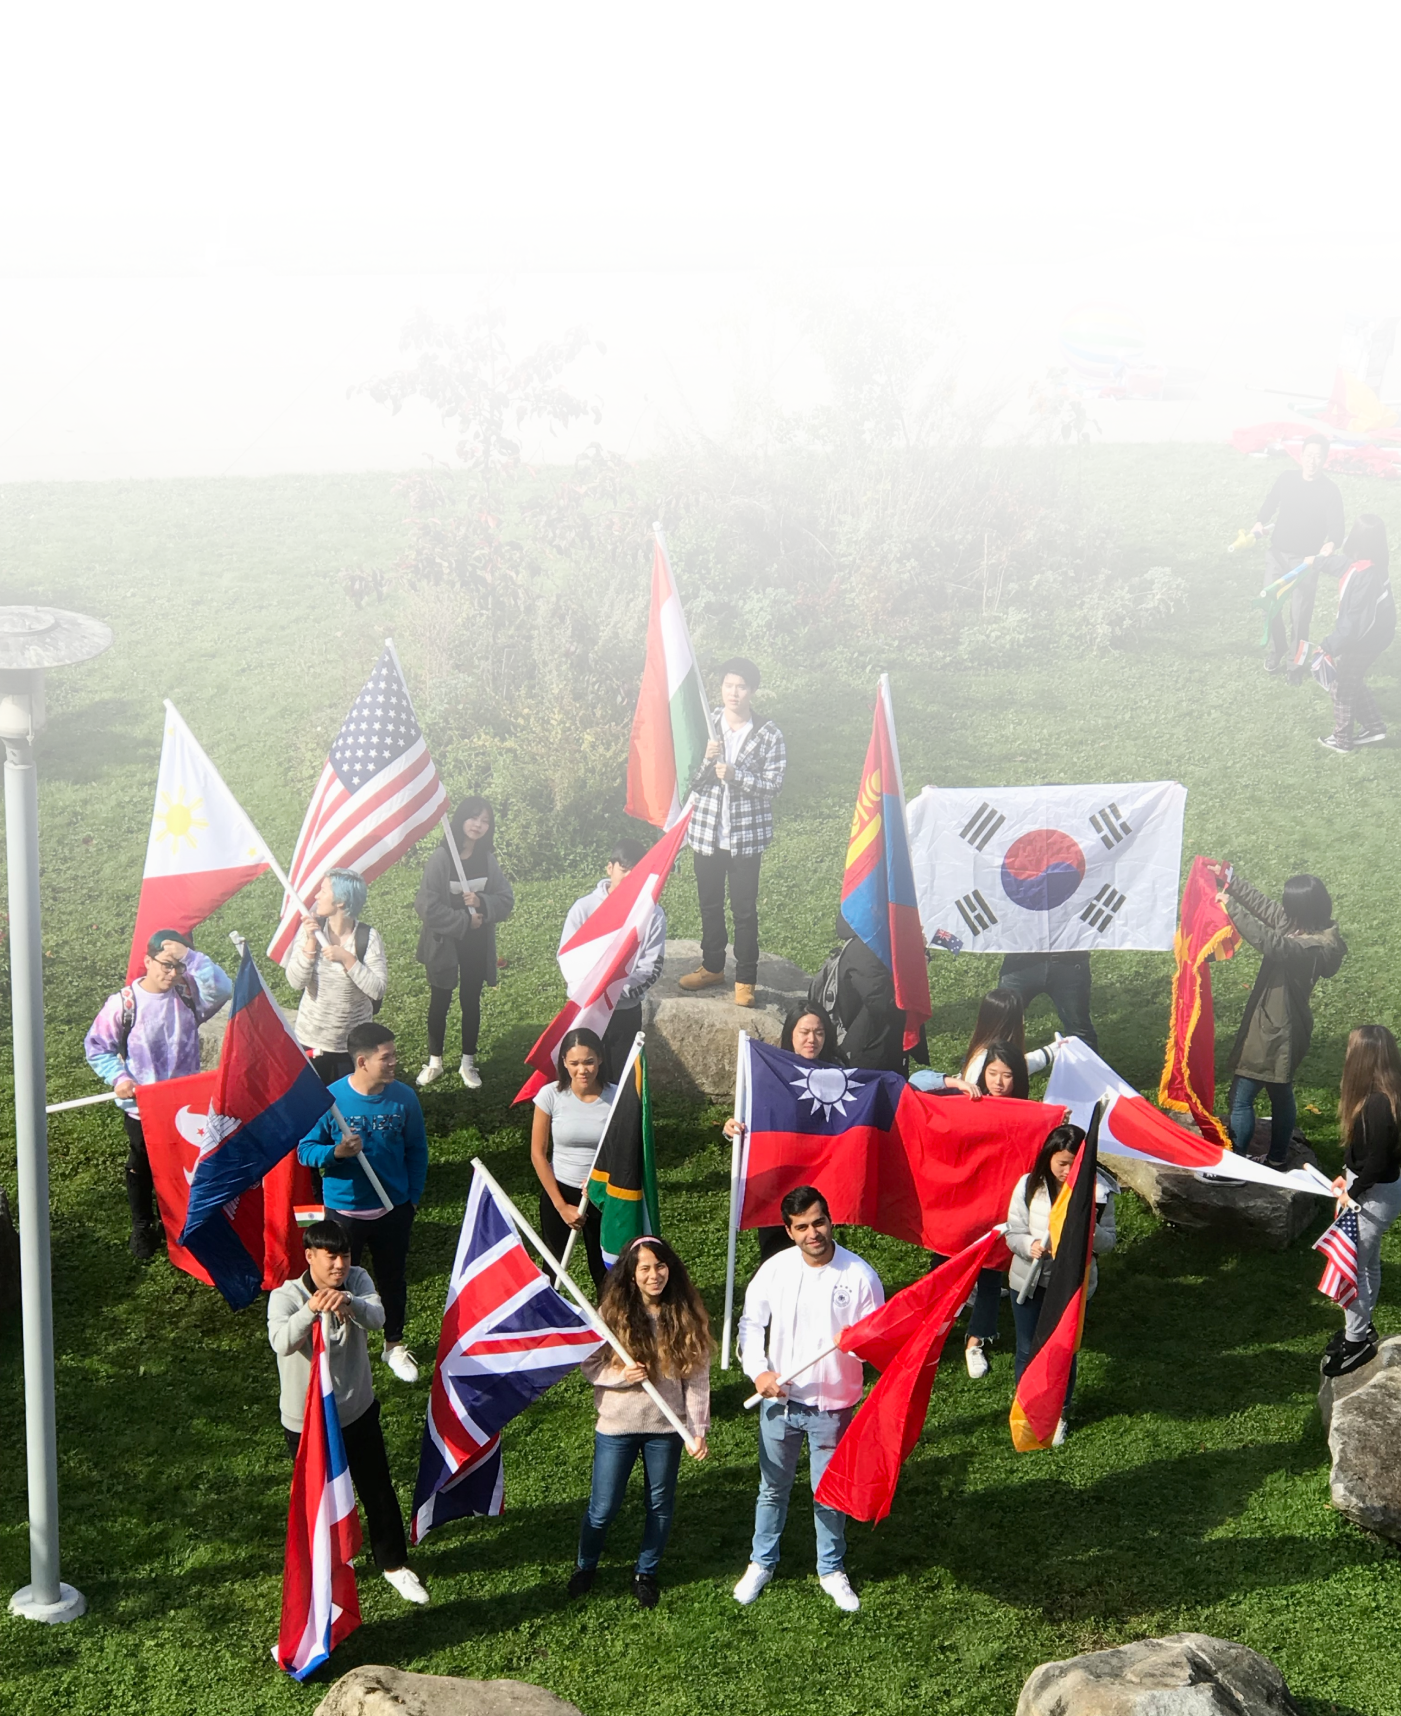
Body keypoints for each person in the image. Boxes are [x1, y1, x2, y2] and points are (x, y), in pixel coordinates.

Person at [734, 1185, 883, 1613]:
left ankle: (831, 1569)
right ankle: (761, 1562)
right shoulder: (775, 1269)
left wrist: (854, 1343)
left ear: (830, 1220)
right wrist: (759, 1371)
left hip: (832, 1406)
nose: (812, 1233)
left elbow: (875, 1341)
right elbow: (750, 1323)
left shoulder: (859, 1276)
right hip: (778, 1402)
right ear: (788, 1230)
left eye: (818, 1222)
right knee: (772, 1489)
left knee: (828, 1492)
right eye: (801, 1227)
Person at [268, 1219, 429, 1605]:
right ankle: (324, 1570)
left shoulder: (357, 1281)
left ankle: (393, 1566)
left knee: (377, 1489)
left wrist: (350, 1303)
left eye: (345, 1255)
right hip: (306, 1422)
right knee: (316, 1500)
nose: (340, 1265)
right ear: (310, 1257)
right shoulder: (286, 1296)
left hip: (356, 1411)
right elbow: (282, 1342)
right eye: (331, 1257)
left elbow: (379, 1319)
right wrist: (311, 1310)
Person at [568, 1237, 711, 1608]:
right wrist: (622, 1377)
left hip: (667, 1428)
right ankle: (586, 1566)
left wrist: (697, 1429)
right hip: (617, 1426)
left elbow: (696, 1378)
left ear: (670, 1268)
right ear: (631, 1275)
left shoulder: (685, 1314)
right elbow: (590, 1365)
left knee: (660, 1504)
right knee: (603, 1507)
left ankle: (645, 1572)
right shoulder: (610, 1314)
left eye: (660, 1266)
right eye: (644, 1268)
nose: (654, 1275)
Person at [84, 928, 233, 1261]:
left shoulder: (188, 994)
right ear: (147, 961)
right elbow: (97, 1046)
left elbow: (223, 988)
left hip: (185, 1104)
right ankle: (143, 1225)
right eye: (166, 964)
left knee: (189, 1161)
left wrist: (190, 957)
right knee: (142, 1163)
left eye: (178, 966)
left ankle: (188, 1222)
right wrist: (118, 1076)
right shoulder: (124, 1004)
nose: (172, 973)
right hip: (143, 1107)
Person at [298, 1022, 427, 1384]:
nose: (394, 1063)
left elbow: (417, 1151)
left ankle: (394, 1344)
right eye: (386, 1058)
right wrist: (336, 1152)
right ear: (362, 1061)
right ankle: (335, 1344)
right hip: (344, 1212)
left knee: (392, 1278)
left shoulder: (404, 1099)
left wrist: (411, 1200)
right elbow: (305, 1151)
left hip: (392, 1209)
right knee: (334, 1279)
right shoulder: (331, 1100)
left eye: (394, 1055)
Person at [911, 1039, 1046, 1379]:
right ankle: (932, 1335)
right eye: (993, 1073)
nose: (999, 1082)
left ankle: (975, 1340)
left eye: (1007, 1075)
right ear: (982, 1072)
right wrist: (955, 1082)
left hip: (996, 1209)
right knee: (943, 1271)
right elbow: (915, 1082)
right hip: (956, 1204)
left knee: (988, 1273)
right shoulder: (966, 1100)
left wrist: (1054, 1120)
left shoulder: (1026, 1113)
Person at [678, 657, 787, 1009]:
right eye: (728, 685)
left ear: (752, 690)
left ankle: (745, 978)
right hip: (707, 835)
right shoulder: (707, 725)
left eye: (741, 686)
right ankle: (712, 966)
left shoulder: (769, 733)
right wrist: (708, 761)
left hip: (745, 840)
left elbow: (773, 785)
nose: (733, 693)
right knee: (709, 905)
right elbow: (690, 782)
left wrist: (736, 774)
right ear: (720, 688)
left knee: (744, 911)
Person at [1219, 871, 1346, 1168]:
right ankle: (1277, 1159)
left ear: (1301, 909)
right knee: (1280, 1090)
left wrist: (1230, 907)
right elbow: (1265, 908)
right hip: (1283, 1025)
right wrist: (1230, 879)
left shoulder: (1312, 946)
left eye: (1289, 905)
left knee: (1240, 1097)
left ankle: (1236, 1167)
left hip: (1275, 1030)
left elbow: (1274, 944)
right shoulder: (1303, 926)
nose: (1283, 909)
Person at [1005, 1124, 1117, 1443]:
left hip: (1071, 1291)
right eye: (1061, 1163)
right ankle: (1027, 1406)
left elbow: (1110, 1241)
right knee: (1028, 1349)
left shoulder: (1099, 1193)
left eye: (1074, 1163)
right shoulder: (1029, 1186)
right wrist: (1029, 1246)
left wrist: (1088, 1230)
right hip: (1027, 1282)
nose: (1068, 1171)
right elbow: (1013, 1232)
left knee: (1064, 1350)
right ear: (1048, 1158)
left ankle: (1059, 1412)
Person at [724, 1003, 844, 1264]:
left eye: (820, 1032)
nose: (812, 1039)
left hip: (821, 1179)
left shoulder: (841, 1075)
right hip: (776, 1181)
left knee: (819, 1253)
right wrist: (731, 1128)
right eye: (804, 1032)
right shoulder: (767, 1072)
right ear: (791, 1033)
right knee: (775, 1256)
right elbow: (749, 1117)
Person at [414, 795, 514, 1091]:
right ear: (461, 820)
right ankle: (435, 1062)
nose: (479, 825)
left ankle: (468, 1063)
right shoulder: (441, 858)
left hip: (476, 945)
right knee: (440, 1000)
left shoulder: (487, 859)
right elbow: (426, 907)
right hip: (444, 944)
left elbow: (506, 899)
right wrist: (463, 920)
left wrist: (482, 901)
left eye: (485, 821)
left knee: (471, 1000)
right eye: (474, 818)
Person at [1322, 1026, 1401, 1377]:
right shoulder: (1380, 1095)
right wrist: (1346, 1174)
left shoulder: (1379, 1103)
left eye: (1351, 1050)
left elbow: (1379, 1161)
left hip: (1373, 1195)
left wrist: (1351, 1192)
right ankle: (1362, 1326)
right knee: (1367, 1263)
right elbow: (1363, 1151)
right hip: (1370, 1187)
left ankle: (1356, 1340)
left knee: (1350, 1268)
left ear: (1364, 1058)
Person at [560, 838, 666, 1084]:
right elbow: (568, 958)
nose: (629, 876)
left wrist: (615, 992)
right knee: (584, 1071)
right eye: (624, 869)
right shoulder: (583, 909)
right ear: (610, 868)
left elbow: (650, 967)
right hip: (587, 1008)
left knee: (621, 1076)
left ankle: (617, 1121)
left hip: (625, 1010)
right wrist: (593, 993)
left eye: (636, 871)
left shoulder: (653, 915)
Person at [1249, 431, 1345, 676]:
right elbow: (1272, 501)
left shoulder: (1330, 491)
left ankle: (1296, 664)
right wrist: (1260, 521)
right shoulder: (1286, 479)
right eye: (1309, 455)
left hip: (1306, 564)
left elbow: (1337, 528)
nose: (1313, 461)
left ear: (1324, 460)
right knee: (1268, 606)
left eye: (1318, 457)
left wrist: (1330, 544)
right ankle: (1278, 648)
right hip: (1278, 555)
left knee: (1300, 618)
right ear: (1301, 456)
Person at [282, 868, 387, 1084]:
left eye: (323, 891)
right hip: (312, 1039)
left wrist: (348, 959)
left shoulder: (367, 937)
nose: (317, 896)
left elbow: (377, 989)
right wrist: (311, 943)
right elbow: (295, 982)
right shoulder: (311, 931)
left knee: (346, 1104)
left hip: (352, 1044)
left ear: (341, 901)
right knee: (313, 1102)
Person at [531, 1027, 616, 1289]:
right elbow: (537, 1153)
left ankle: (611, 1324)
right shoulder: (550, 1096)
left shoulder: (617, 1097)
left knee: (604, 1268)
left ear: (600, 1059)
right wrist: (561, 1205)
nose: (583, 1070)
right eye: (575, 1063)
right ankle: (548, 1323)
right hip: (561, 1191)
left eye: (589, 1061)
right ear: (564, 1063)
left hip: (602, 1195)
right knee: (552, 1267)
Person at [1310, 514, 1395, 753]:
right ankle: (1374, 727)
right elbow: (1342, 565)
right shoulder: (1365, 561)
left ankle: (1342, 741)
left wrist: (1328, 645)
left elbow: (1354, 623)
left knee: (1342, 686)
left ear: (1358, 541)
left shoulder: (1368, 575)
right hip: (1371, 635)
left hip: (1366, 639)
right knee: (1351, 677)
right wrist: (1316, 562)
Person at [809, 912, 910, 1075]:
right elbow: (879, 1002)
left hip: (873, 1045)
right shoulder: (864, 949)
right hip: (869, 1052)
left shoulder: (866, 945)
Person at [997, 955, 1098, 1053]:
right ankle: (998, 1067)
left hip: (1069, 963)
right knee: (1003, 1025)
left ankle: (1088, 1068)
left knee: (1079, 1027)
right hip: (1020, 962)